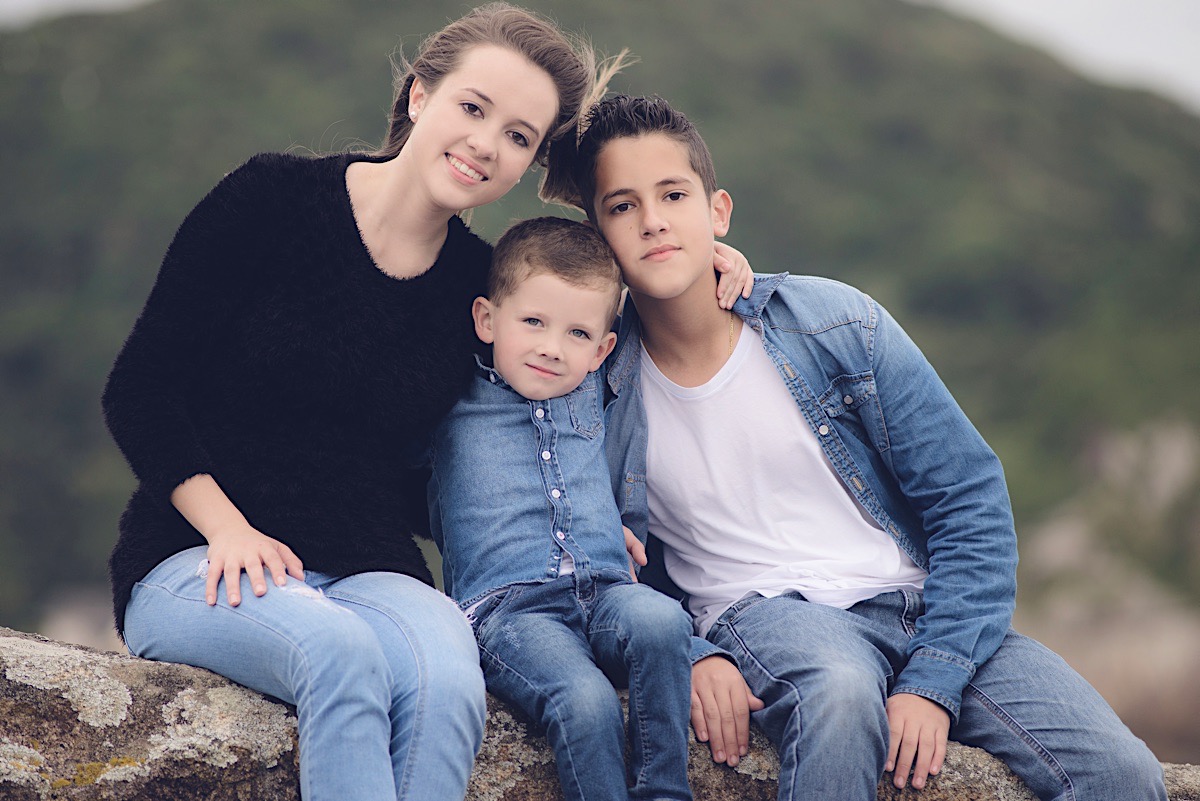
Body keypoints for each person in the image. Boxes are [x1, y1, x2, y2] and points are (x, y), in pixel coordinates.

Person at [541, 94, 1168, 801]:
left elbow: (968, 500)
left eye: (673, 194)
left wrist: (933, 679)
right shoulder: (591, 384)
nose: (653, 220)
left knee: (1122, 774)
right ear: (598, 235)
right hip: (767, 615)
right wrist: (692, 652)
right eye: (622, 206)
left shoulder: (835, 322)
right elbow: (584, 562)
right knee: (840, 694)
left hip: (916, 605)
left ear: (717, 212)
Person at [100, 6, 631, 799]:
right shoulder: (269, 198)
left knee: (450, 682)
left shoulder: (480, 289)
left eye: (519, 136)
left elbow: (492, 435)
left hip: (369, 568)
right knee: (341, 655)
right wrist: (227, 527)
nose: (486, 143)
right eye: (473, 107)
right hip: (198, 554)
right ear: (420, 95)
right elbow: (140, 385)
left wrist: (576, 518)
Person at [427, 216, 695, 801]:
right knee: (586, 700)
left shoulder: (595, 386)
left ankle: (665, 790)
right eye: (532, 322)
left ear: (602, 349)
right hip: (512, 612)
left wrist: (722, 263)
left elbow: (669, 293)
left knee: (663, 621)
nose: (551, 348)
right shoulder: (449, 401)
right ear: (486, 319)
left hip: (607, 590)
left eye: (577, 334)